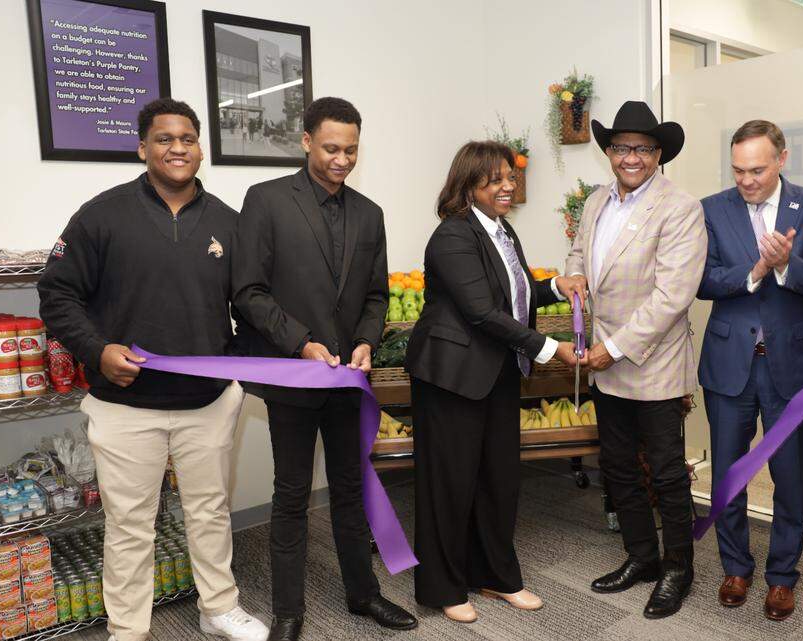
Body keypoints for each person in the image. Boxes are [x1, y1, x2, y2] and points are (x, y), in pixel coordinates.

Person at [37, 99, 268, 641]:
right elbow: (57, 294)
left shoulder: (229, 223)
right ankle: (128, 630)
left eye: (187, 139)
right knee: (129, 525)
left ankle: (218, 608)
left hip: (208, 404)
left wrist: (252, 360)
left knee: (210, 511)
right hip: (125, 407)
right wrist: (97, 351)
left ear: (200, 149)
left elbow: (252, 303)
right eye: (164, 139)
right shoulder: (101, 215)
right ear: (143, 148)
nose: (177, 148)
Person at [230, 97, 416, 641]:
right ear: (306, 141)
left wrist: (366, 342)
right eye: (332, 148)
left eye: (351, 150)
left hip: (347, 381)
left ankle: (364, 594)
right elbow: (248, 292)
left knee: (350, 489)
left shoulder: (370, 213)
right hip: (293, 378)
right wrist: (301, 343)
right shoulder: (265, 200)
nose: (342, 160)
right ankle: (288, 611)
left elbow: (376, 296)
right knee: (290, 496)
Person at [405, 141, 581, 624]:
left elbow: (512, 294)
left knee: (498, 480)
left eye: (510, 177)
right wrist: (551, 349)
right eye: (496, 178)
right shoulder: (452, 236)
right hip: (451, 378)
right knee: (449, 485)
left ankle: (496, 576)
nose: (508, 186)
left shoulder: (502, 230)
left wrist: (555, 287)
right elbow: (482, 311)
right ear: (469, 185)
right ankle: (443, 587)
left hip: (498, 372)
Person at [561, 101, 706, 619]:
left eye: (643, 148)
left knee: (665, 472)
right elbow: (578, 254)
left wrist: (615, 348)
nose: (631, 157)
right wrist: (573, 276)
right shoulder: (596, 201)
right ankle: (642, 557)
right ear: (609, 152)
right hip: (603, 360)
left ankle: (678, 568)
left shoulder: (680, 207)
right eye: (622, 147)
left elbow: (673, 296)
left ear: (659, 154)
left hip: (651, 361)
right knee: (619, 468)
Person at [697, 120, 803, 621]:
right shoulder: (711, 208)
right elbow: (703, 281)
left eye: (756, 170)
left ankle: (782, 576)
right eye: (738, 170)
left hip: (793, 367)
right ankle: (735, 567)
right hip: (729, 364)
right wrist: (755, 271)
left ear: (782, 159)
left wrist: (785, 265)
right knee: (728, 474)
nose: (746, 180)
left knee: (790, 476)